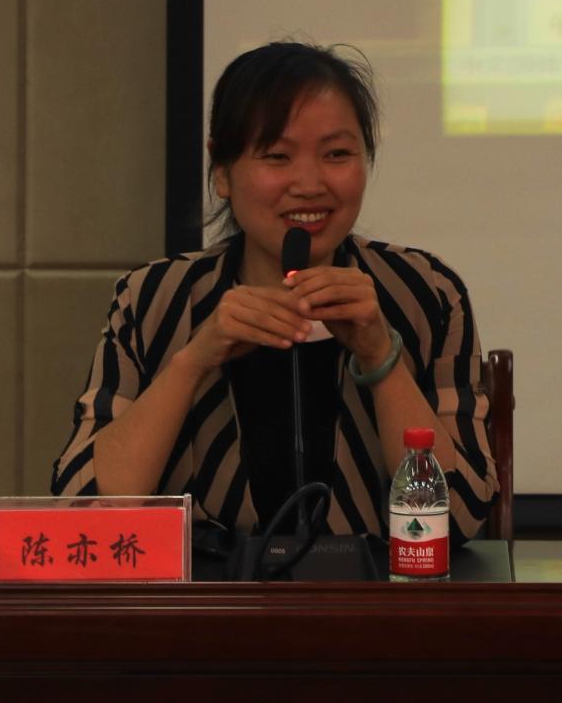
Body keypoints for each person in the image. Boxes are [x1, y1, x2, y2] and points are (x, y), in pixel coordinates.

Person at [51, 41, 495, 544]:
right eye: (278, 156)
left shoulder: (426, 294)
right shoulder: (154, 298)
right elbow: (83, 510)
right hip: (205, 592)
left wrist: (380, 355)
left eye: (337, 154)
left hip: (372, 590)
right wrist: (194, 359)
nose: (309, 184)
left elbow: (458, 518)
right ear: (221, 171)